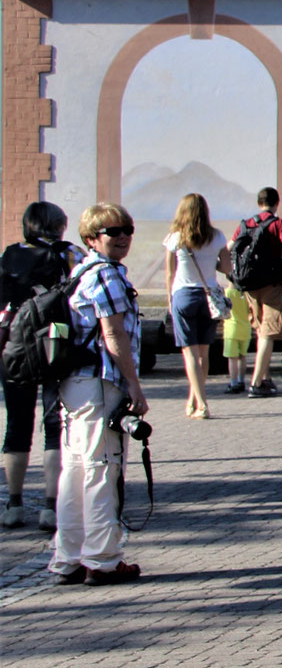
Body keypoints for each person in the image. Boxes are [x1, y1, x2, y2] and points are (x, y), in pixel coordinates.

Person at [48, 201, 146, 586]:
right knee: (102, 470)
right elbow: (113, 334)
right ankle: (103, 559)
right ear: (91, 237)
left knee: (76, 470)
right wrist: (133, 385)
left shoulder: (80, 271)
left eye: (127, 229)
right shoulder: (105, 275)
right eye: (112, 231)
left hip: (74, 383)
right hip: (98, 382)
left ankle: (69, 556)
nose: (122, 237)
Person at [2, 202, 81, 531]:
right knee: (54, 426)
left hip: (16, 345)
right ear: (59, 225)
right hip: (55, 341)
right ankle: (51, 506)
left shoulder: (9, 254)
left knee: (17, 425)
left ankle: (15, 504)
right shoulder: (69, 253)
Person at [163, 193, 227, 419]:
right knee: (203, 354)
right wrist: (211, 260)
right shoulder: (217, 237)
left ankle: (201, 403)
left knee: (189, 354)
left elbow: (170, 273)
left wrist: (169, 300)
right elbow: (226, 267)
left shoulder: (175, 237)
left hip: (183, 294)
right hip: (208, 295)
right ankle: (193, 399)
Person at [237, 187, 282, 398]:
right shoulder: (278, 224)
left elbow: (230, 248)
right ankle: (256, 384)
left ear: (258, 203)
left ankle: (265, 377)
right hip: (272, 285)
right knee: (268, 333)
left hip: (250, 285)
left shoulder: (246, 224)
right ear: (276, 203)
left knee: (260, 330)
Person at [220, 282, 252, 394]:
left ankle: (233, 383)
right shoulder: (246, 293)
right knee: (242, 356)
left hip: (231, 328)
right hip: (246, 327)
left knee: (232, 358)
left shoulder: (227, 293)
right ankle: (241, 381)